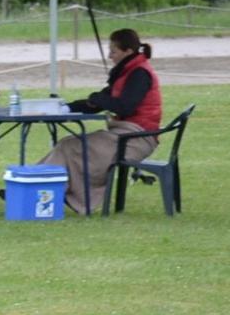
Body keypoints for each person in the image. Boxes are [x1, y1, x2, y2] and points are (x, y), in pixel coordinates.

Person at [41, 28, 162, 215]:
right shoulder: (126, 72)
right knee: (67, 144)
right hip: (124, 134)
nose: (109, 56)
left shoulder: (139, 74)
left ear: (128, 52)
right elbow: (98, 102)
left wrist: (98, 99)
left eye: (113, 51)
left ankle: (41, 190)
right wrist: (66, 108)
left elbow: (125, 106)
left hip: (136, 138)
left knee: (69, 146)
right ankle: (44, 188)